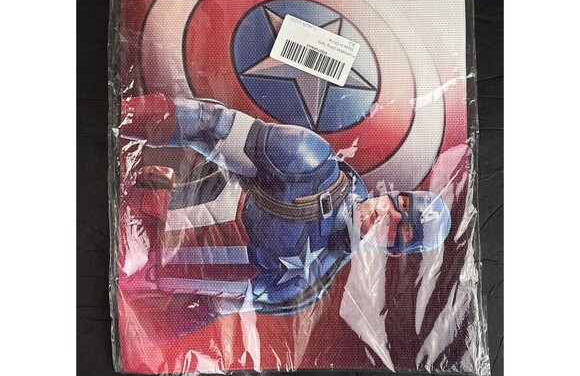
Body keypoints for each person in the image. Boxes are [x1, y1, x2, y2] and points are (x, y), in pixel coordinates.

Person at [118, 94, 451, 336]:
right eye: (400, 205)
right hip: (130, 218)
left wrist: (150, 335)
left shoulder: (312, 285)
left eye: (402, 232)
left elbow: (209, 308)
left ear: (394, 250)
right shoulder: (311, 166)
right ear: (392, 195)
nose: (388, 218)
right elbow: (208, 124)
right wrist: (119, 116)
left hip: (132, 284)